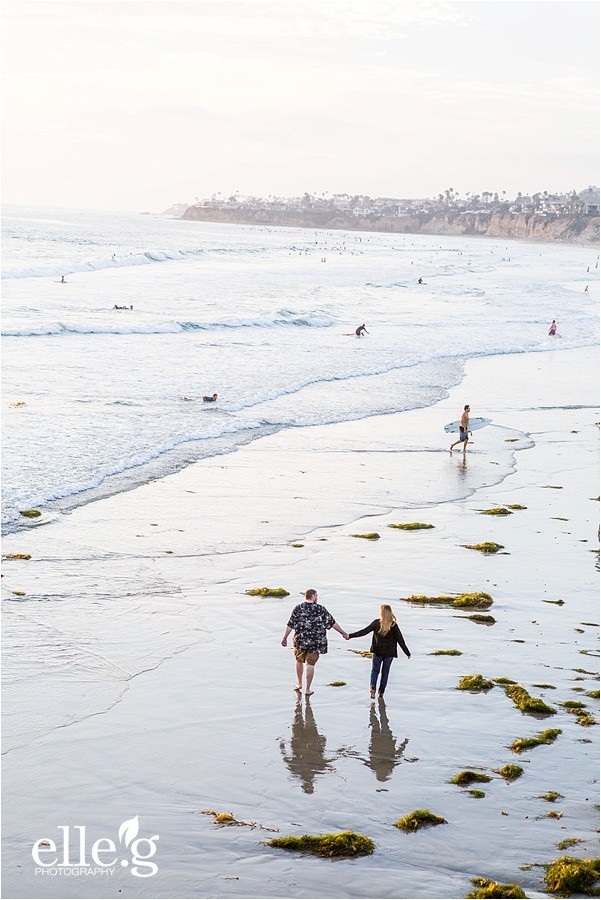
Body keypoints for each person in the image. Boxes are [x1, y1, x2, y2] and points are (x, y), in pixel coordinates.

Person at [281, 589, 349, 696]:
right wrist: (343, 633)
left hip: (300, 641)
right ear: (313, 596)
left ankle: (299, 684)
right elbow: (332, 623)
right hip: (316, 642)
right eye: (316, 596)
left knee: (299, 661)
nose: (317, 597)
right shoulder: (320, 609)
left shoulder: (298, 608)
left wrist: (284, 638)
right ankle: (307, 689)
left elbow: (290, 624)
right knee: (310, 664)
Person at [348, 604, 410, 699]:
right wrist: (407, 653)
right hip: (389, 654)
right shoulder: (394, 625)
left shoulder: (376, 623)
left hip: (377, 652)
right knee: (385, 673)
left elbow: (364, 631)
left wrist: (350, 636)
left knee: (374, 671)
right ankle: (381, 693)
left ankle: (372, 688)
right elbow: (401, 640)